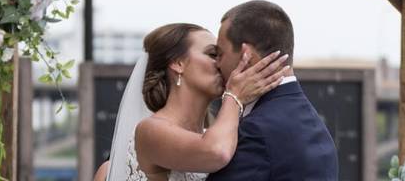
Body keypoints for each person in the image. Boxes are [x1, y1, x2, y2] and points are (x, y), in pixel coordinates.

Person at [97, 22, 290, 181]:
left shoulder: (222, 135)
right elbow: (216, 153)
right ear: (178, 63)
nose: (221, 63)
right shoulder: (149, 131)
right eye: (213, 54)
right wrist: (235, 96)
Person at [208, 0, 338, 180]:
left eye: (220, 53)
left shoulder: (256, 130)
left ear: (247, 55)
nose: (217, 63)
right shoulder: (316, 126)